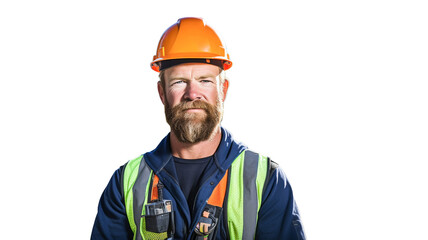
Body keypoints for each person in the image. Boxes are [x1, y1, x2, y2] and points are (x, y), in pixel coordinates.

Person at [91, 17, 306, 240]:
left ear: (223, 89)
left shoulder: (265, 180)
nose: (192, 94)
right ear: (162, 93)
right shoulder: (126, 182)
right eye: (179, 82)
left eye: (205, 81)